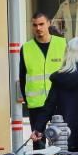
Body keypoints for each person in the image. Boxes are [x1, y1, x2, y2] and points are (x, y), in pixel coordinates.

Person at [19, 12, 67, 145]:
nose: (38, 28)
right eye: (35, 25)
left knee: (61, 143)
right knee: (38, 143)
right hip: (36, 104)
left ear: (49, 24)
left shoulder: (62, 44)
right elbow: (22, 77)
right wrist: (27, 100)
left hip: (58, 102)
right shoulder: (26, 48)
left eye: (41, 24)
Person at [42, 37, 78, 152]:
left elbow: (50, 104)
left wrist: (39, 127)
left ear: (67, 53)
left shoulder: (59, 78)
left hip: (62, 132)